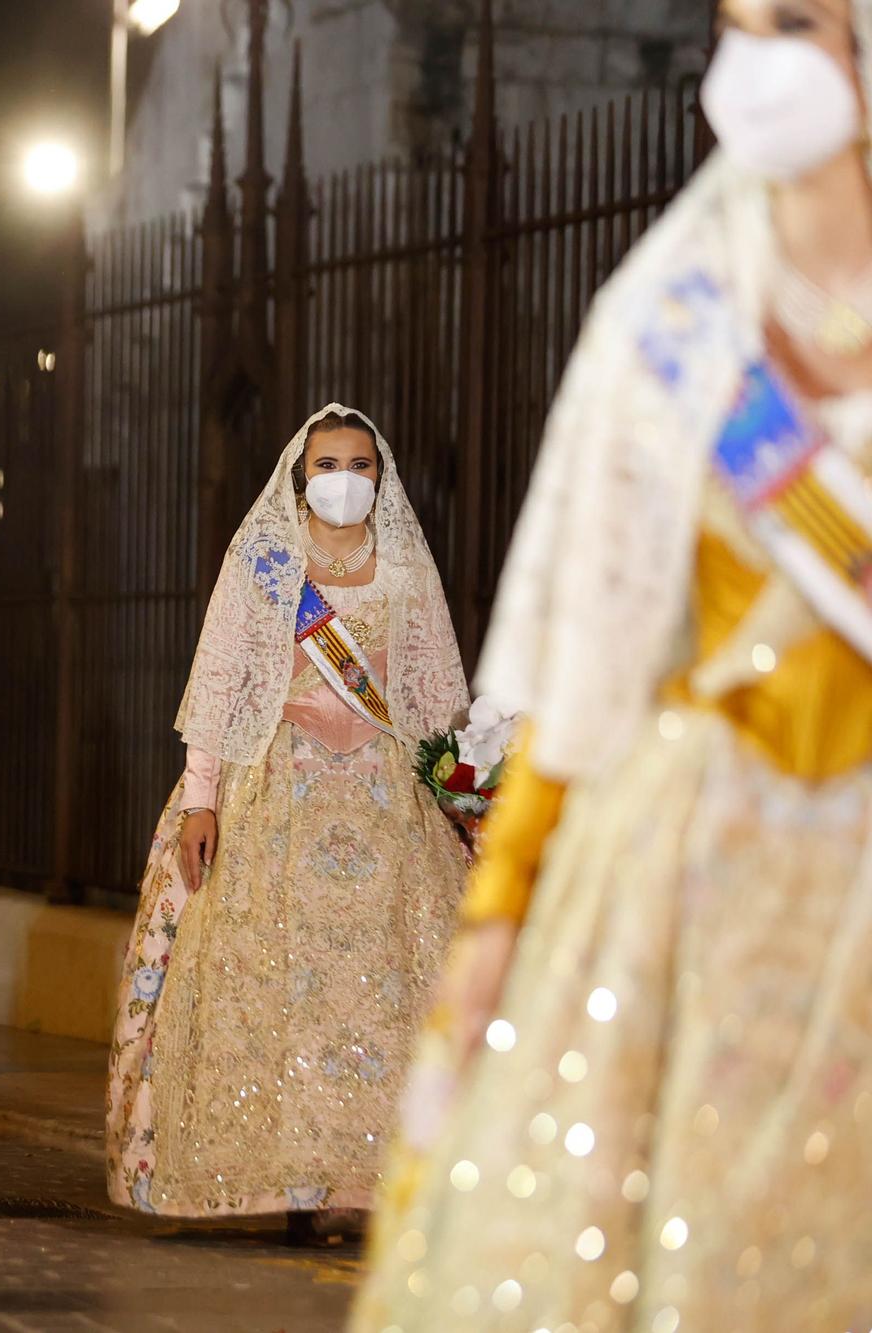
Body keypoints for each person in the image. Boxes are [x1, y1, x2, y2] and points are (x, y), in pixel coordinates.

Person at [354, 3, 872, 1326]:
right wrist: (499, 913)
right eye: (736, 24)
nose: (752, 62)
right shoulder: (670, 321)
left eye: (797, 23)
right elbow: (590, 654)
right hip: (698, 864)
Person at [105, 405, 470, 1242]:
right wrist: (201, 799)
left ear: (381, 477)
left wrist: (460, 793)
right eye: (328, 463)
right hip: (275, 791)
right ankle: (280, 1174)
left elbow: (437, 691)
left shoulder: (405, 566)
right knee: (278, 985)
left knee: (378, 989)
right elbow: (220, 682)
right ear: (300, 475)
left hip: (385, 805)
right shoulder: (266, 562)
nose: (345, 478)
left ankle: (360, 1178)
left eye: (361, 464)